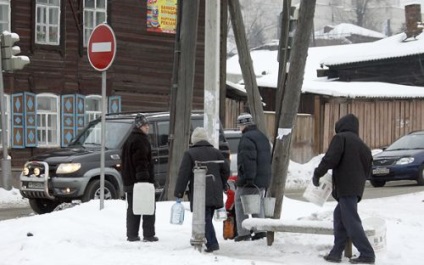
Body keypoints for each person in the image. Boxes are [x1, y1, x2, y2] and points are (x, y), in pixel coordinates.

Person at [312, 114, 375, 264]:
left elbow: (330, 159)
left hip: (346, 188)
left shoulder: (341, 138)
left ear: (340, 126)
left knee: (351, 220)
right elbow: (368, 169)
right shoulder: (363, 145)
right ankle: (336, 253)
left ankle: (367, 254)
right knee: (339, 217)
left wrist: (317, 173)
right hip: (355, 188)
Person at [174, 127, 230, 253]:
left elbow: (183, 175)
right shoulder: (216, 152)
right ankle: (206, 239)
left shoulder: (190, 154)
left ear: (194, 140)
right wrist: (220, 182)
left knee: (204, 218)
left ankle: (212, 243)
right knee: (207, 217)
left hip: (200, 192)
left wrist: (179, 192)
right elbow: (226, 170)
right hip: (215, 191)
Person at [234, 113, 271, 242]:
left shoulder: (246, 139)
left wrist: (247, 179)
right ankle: (260, 231)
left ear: (242, 125)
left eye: (239, 126)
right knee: (258, 203)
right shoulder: (262, 136)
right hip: (262, 179)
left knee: (239, 201)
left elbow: (248, 160)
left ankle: (243, 232)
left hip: (250, 179)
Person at [121, 114, 158, 243]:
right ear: (139, 126)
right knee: (148, 206)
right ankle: (148, 234)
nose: (147, 127)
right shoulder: (140, 140)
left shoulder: (129, 139)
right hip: (140, 182)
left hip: (130, 181)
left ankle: (132, 234)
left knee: (133, 208)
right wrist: (144, 180)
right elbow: (140, 161)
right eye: (145, 125)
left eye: (147, 125)